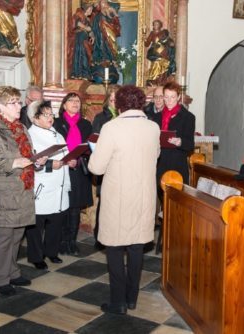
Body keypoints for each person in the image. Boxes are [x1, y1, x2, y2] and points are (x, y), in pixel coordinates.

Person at [88, 85, 160, 315]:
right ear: (141, 103)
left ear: (118, 104)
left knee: (116, 248)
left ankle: (118, 302)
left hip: (119, 196)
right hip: (143, 196)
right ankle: (131, 298)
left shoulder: (112, 127)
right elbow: (156, 154)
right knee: (137, 247)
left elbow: (97, 167)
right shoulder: (153, 127)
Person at [0, 86, 47, 296]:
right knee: (4, 237)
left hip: (21, 191)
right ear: (0, 106)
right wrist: (13, 162)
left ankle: (12, 272)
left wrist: (37, 160)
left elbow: (27, 155)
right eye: (14, 103)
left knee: (17, 235)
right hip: (1, 195)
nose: (19, 106)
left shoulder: (20, 128)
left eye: (18, 102)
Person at [26, 101, 76, 270]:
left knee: (56, 221)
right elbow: (29, 161)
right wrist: (49, 165)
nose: (50, 118)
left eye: (51, 114)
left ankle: (51, 252)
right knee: (36, 224)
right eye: (45, 115)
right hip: (42, 186)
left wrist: (70, 161)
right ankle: (36, 256)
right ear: (34, 119)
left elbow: (65, 154)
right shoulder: (30, 136)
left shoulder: (57, 134)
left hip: (59, 185)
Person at [53, 92, 93, 255]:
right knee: (63, 207)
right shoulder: (56, 123)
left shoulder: (85, 124)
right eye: (71, 100)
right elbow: (52, 146)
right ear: (64, 104)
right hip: (61, 168)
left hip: (79, 169)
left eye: (77, 101)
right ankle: (62, 241)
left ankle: (72, 241)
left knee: (75, 207)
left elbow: (90, 146)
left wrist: (80, 156)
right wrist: (65, 159)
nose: (75, 103)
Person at [91, 85, 120, 249]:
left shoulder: (125, 117)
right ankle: (100, 237)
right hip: (107, 166)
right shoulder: (101, 118)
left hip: (122, 167)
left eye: (117, 99)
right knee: (105, 203)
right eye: (112, 99)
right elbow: (95, 141)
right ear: (108, 99)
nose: (114, 103)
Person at [152, 81, 195, 184]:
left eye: (172, 97)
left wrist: (180, 142)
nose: (169, 101)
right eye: (166, 97)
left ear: (178, 97)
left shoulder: (188, 117)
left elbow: (190, 145)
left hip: (177, 166)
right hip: (160, 165)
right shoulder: (157, 117)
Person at [144, 20, 176, 86]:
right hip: (155, 52)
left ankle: (161, 81)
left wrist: (171, 43)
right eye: (154, 24)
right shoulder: (152, 33)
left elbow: (168, 40)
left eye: (157, 24)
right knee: (155, 64)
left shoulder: (163, 33)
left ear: (160, 25)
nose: (155, 25)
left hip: (163, 52)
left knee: (162, 65)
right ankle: (154, 80)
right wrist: (144, 39)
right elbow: (147, 44)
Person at [91, 0, 120, 67]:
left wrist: (113, 12)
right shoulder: (97, 16)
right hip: (99, 34)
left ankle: (110, 59)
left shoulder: (109, 14)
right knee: (101, 44)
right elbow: (94, 27)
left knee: (109, 45)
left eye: (105, 3)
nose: (104, 5)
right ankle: (102, 59)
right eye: (102, 4)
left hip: (108, 34)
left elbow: (114, 23)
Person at [69, 4, 95, 80]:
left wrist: (92, 36)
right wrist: (86, 28)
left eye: (91, 10)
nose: (90, 11)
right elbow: (76, 23)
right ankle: (79, 73)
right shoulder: (79, 14)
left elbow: (90, 31)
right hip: (80, 38)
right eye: (89, 9)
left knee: (86, 55)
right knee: (81, 53)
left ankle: (85, 73)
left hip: (85, 38)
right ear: (85, 9)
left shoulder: (88, 19)